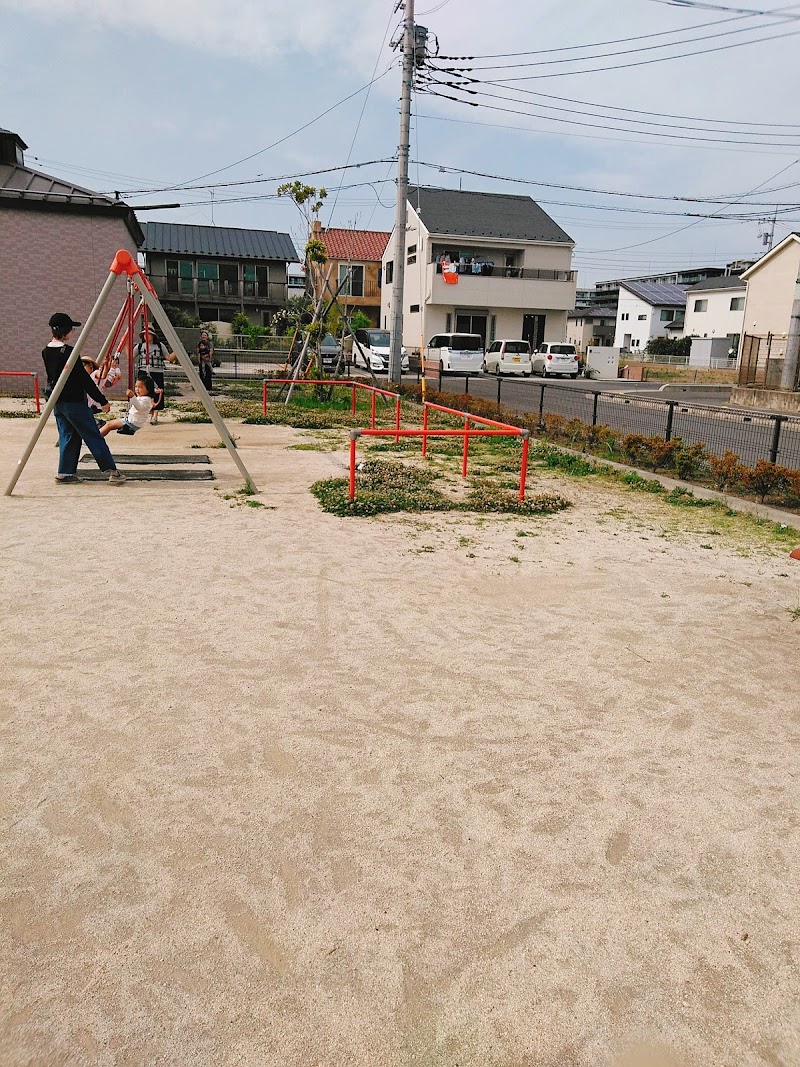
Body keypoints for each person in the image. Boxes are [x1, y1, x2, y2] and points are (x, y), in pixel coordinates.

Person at [42, 312, 126, 485]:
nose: (72, 332)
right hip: (74, 401)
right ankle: (111, 470)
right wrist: (102, 400)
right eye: (71, 329)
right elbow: (83, 379)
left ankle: (65, 472)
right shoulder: (69, 352)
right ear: (65, 331)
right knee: (92, 434)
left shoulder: (46, 351)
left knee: (68, 434)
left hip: (57, 401)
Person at [134, 326, 177, 425]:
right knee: (143, 393)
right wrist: (126, 344)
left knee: (157, 393)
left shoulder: (160, 346)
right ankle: (144, 413)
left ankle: (155, 416)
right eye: (144, 334)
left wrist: (178, 350)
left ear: (153, 335)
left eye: (148, 334)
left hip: (157, 372)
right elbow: (130, 357)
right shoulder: (140, 346)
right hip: (143, 371)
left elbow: (169, 357)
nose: (146, 336)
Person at [81, 353, 121, 426]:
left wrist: (107, 366)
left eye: (84, 364)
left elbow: (102, 375)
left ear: (90, 366)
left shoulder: (95, 373)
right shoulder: (83, 377)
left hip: (94, 403)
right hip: (87, 402)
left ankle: (98, 423)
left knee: (86, 417)